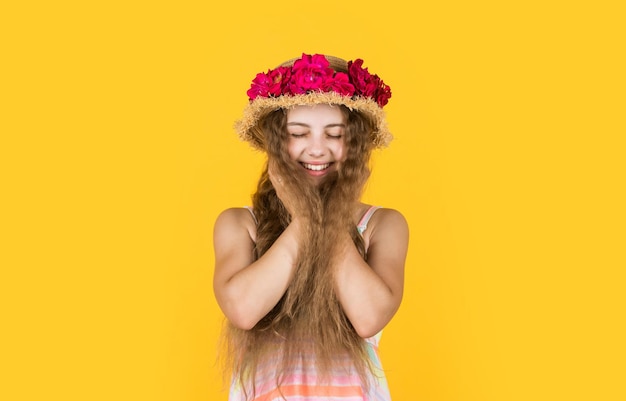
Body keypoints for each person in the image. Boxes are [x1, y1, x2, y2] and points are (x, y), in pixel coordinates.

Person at [213, 53, 409, 401]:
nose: (316, 149)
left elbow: (368, 317)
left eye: (334, 134)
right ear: (276, 141)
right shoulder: (241, 223)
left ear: (355, 144)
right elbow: (243, 309)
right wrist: (304, 219)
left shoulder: (381, 225)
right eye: (298, 133)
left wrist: (327, 217)